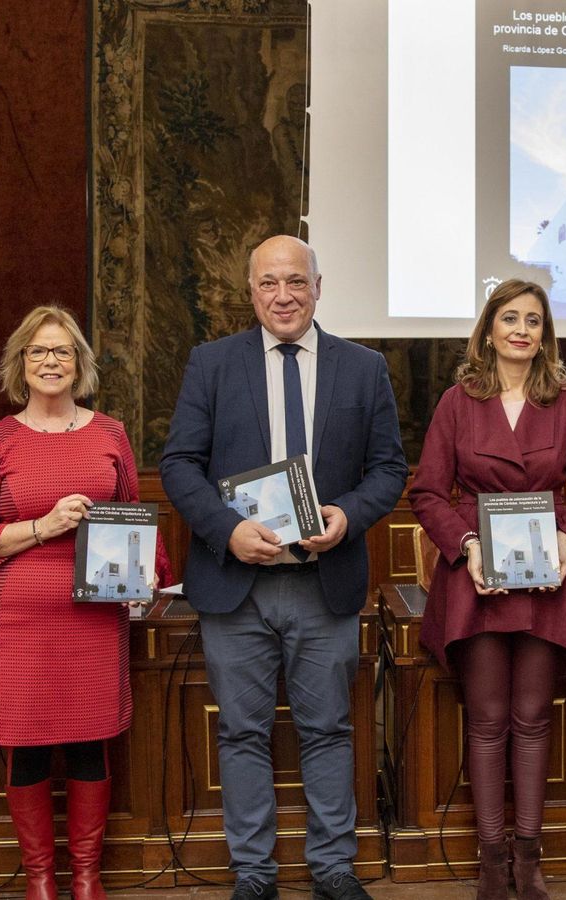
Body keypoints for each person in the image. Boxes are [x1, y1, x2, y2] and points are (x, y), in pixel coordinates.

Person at [159, 235, 408, 900]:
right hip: (235, 587)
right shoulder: (211, 364)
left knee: (328, 730)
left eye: (296, 280)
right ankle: (255, 873)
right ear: (251, 293)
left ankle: (332, 867)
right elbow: (179, 465)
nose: (284, 295)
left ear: (318, 287)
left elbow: (388, 469)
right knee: (241, 731)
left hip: (321, 586)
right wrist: (227, 530)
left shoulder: (364, 369)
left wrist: (348, 518)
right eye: (269, 283)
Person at [0, 305, 168, 900]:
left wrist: (148, 573)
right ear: (20, 364)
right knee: (25, 743)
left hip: (95, 614)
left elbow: (134, 515)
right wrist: (45, 526)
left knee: (87, 737)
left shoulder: (110, 434)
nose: (50, 362)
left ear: (79, 364)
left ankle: (87, 876)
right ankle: (41, 880)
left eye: (62, 351)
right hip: (19, 612)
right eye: (38, 352)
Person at [408, 279, 566, 900]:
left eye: (534, 320)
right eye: (510, 318)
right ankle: (491, 862)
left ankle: (529, 859)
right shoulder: (457, 401)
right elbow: (426, 493)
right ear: (489, 329)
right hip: (478, 580)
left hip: (546, 579)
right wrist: (467, 546)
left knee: (532, 721)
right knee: (489, 721)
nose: (522, 329)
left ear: (545, 334)